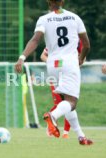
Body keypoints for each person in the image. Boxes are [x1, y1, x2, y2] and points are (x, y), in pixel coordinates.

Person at [15, 0, 93, 145]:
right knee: (72, 102)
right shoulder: (75, 17)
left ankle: (81, 136)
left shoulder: (44, 19)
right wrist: (81, 58)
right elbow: (87, 45)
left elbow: (35, 40)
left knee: (65, 101)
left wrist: (22, 57)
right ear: (62, 1)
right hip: (70, 63)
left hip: (53, 64)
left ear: (48, 2)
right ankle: (53, 116)